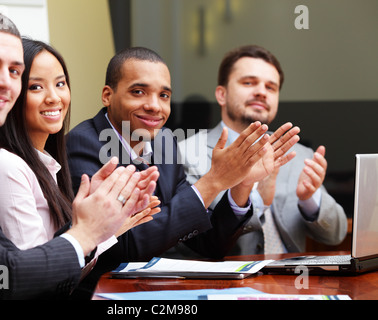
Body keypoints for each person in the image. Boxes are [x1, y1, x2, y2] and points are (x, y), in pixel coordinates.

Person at [0, 9, 155, 299]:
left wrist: (93, 225)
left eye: (14, 72)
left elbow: (10, 264)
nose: (4, 82)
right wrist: (86, 231)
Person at [65, 46, 300, 287]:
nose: (155, 106)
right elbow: (127, 246)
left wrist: (243, 182)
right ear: (107, 95)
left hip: (157, 289)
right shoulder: (83, 142)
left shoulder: (165, 140)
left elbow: (209, 244)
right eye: (138, 92)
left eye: (164, 95)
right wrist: (213, 181)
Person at [0, 38, 159, 264]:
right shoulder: (5, 166)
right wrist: (92, 229)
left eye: (60, 84)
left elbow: (63, 274)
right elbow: (34, 275)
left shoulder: (44, 164)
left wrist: (107, 224)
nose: (54, 97)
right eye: (36, 87)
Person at [179, 45, 347, 255]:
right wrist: (256, 198)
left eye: (271, 87)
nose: (261, 92)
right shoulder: (185, 154)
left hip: (296, 283)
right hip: (227, 284)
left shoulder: (300, 155)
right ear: (221, 95)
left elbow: (336, 235)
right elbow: (193, 242)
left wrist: (310, 199)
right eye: (249, 82)